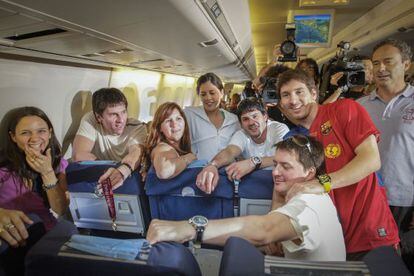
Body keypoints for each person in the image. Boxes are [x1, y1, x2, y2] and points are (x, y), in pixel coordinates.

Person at [147, 135, 346, 261]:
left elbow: (264, 230)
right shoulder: (305, 194)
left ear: (310, 173)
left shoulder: (310, 204)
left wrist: (189, 228)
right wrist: (279, 189)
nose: (275, 172)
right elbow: (273, 243)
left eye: (286, 167)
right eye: (275, 164)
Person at [276, 69, 399, 260]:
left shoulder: (344, 110)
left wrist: (322, 182)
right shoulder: (296, 138)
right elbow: (280, 179)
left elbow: (371, 159)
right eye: (286, 95)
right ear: (281, 104)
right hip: (329, 239)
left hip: (370, 234)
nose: (293, 100)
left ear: (314, 93)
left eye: (299, 92)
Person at [358, 39, 413, 272]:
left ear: (407, 65)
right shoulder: (360, 106)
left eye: (389, 62)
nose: (381, 68)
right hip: (368, 200)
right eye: (376, 63)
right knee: (369, 265)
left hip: (405, 203)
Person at [0, 106, 69, 247]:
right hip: (12, 234)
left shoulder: (58, 163)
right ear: (13, 137)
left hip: (47, 234)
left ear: (49, 133)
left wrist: (47, 172)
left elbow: (60, 209)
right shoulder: (4, 169)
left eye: (41, 131)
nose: (35, 138)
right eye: (25, 133)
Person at [195, 98, 288, 194]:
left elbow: (286, 158)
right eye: (245, 119)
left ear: (265, 117)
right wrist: (212, 165)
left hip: (280, 185)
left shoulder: (279, 129)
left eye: (255, 116)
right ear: (241, 124)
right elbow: (229, 151)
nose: (251, 122)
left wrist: (253, 162)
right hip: (253, 188)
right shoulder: (242, 134)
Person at [72, 88, 147, 189]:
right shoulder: (91, 119)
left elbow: (136, 153)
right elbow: (79, 155)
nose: (121, 120)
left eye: (123, 112)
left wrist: (122, 171)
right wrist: (108, 170)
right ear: (99, 117)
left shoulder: (137, 127)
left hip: (126, 178)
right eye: (113, 114)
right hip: (97, 177)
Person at [184, 73, 240, 161]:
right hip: (199, 170)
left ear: (221, 93)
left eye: (212, 93)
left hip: (227, 171)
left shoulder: (233, 120)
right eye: (203, 94)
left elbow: (240, 147)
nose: (208, 98)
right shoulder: (189, 115)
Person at [143, 102, 196, 179]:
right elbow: (163, 172)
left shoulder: (179, 147)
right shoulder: (162, 148)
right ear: (160, 128)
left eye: (178, 118)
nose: (174, 124)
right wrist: (189, 158)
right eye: (168, 121)